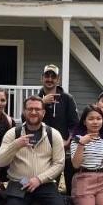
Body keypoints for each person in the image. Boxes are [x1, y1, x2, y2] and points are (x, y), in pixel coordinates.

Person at [38, 64, 78, 194]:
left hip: (64, 149)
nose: (50, 79)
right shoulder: (36, 99)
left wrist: (68, 141)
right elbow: (25, 119)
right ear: (42, 78)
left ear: (58, 79)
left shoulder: (67, 99)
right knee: (48, 185)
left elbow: (75, 125)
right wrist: (42, 103)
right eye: (47, 76)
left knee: (70, 184)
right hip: (42, 149)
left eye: (53, 76)